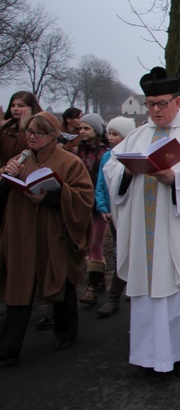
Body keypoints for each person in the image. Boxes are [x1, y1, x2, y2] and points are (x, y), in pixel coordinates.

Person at [103, 67, 180, 376]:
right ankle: (150, 354)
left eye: (162, 103)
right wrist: (126, 172)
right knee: (147, 292)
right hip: (145, 230)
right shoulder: (138, 134)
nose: (156, 110)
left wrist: (177, 179)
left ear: (178, 101)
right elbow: (112, 169)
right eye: (150, 104)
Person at [0, 111, 93, 365]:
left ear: (53, 136)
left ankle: (66, 333)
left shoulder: (69, 162)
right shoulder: (19, 160)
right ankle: (9, 348)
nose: (32, 137)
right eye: (29, 132)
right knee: (19, 286)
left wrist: (55, 195)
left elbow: (84, 198)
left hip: (55, 234)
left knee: (61, 281)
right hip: (21, 233)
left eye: (39, 133)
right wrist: (6, 177)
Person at [95, 116, 137, 318]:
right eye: (109, 133)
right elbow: (101, 184)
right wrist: (103, 207)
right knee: (119, 253)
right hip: (112, 210)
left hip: (129, 210)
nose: (110, 138)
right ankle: (114, 297)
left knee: (129, 250)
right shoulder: (107, 157)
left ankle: (123, 291)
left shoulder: (134, 153)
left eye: (115, 134)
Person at [75, 113, 111, 305]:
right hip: (81, 203)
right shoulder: (76, 152)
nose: (82, 131)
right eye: (80, 128)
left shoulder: (105, 153)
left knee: (95, 243)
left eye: (86, 128)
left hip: (97, 204)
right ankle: (100, 279)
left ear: (97, 131)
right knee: (85, 244)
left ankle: (93, 286)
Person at [0, 91, 42, 168]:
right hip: (5, 173)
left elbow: (29, 151)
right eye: (13, 106)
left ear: (31, 108)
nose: (15, 109)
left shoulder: (40, 131)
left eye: (20, 106)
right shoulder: (6, 130)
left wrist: (24, 129)